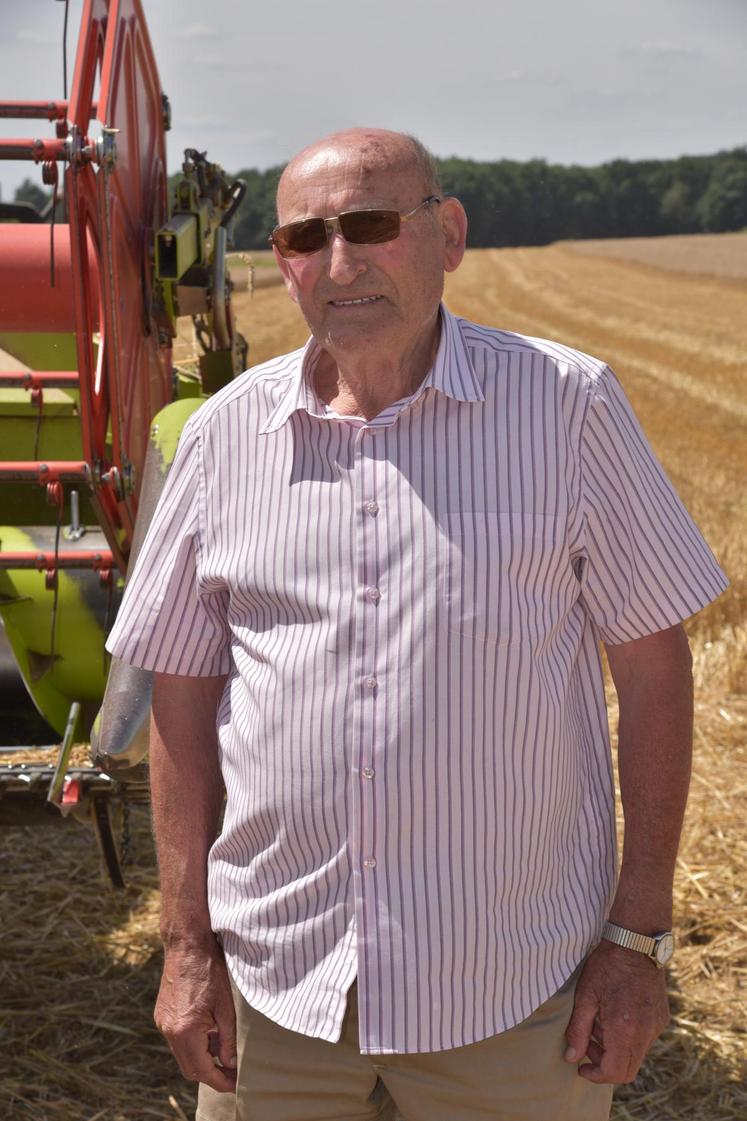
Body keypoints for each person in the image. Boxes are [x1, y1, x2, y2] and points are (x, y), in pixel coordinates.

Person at [106, 128, 727, 1121]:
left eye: (370, 225)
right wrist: (187, 947)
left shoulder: (566, 408)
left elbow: (656, 672)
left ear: (448, 235)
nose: (340, 262)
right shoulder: (225, 437)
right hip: (277, 994)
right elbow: (181, 699)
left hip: (515, 997)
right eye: (307, 238)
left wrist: (638, 937)